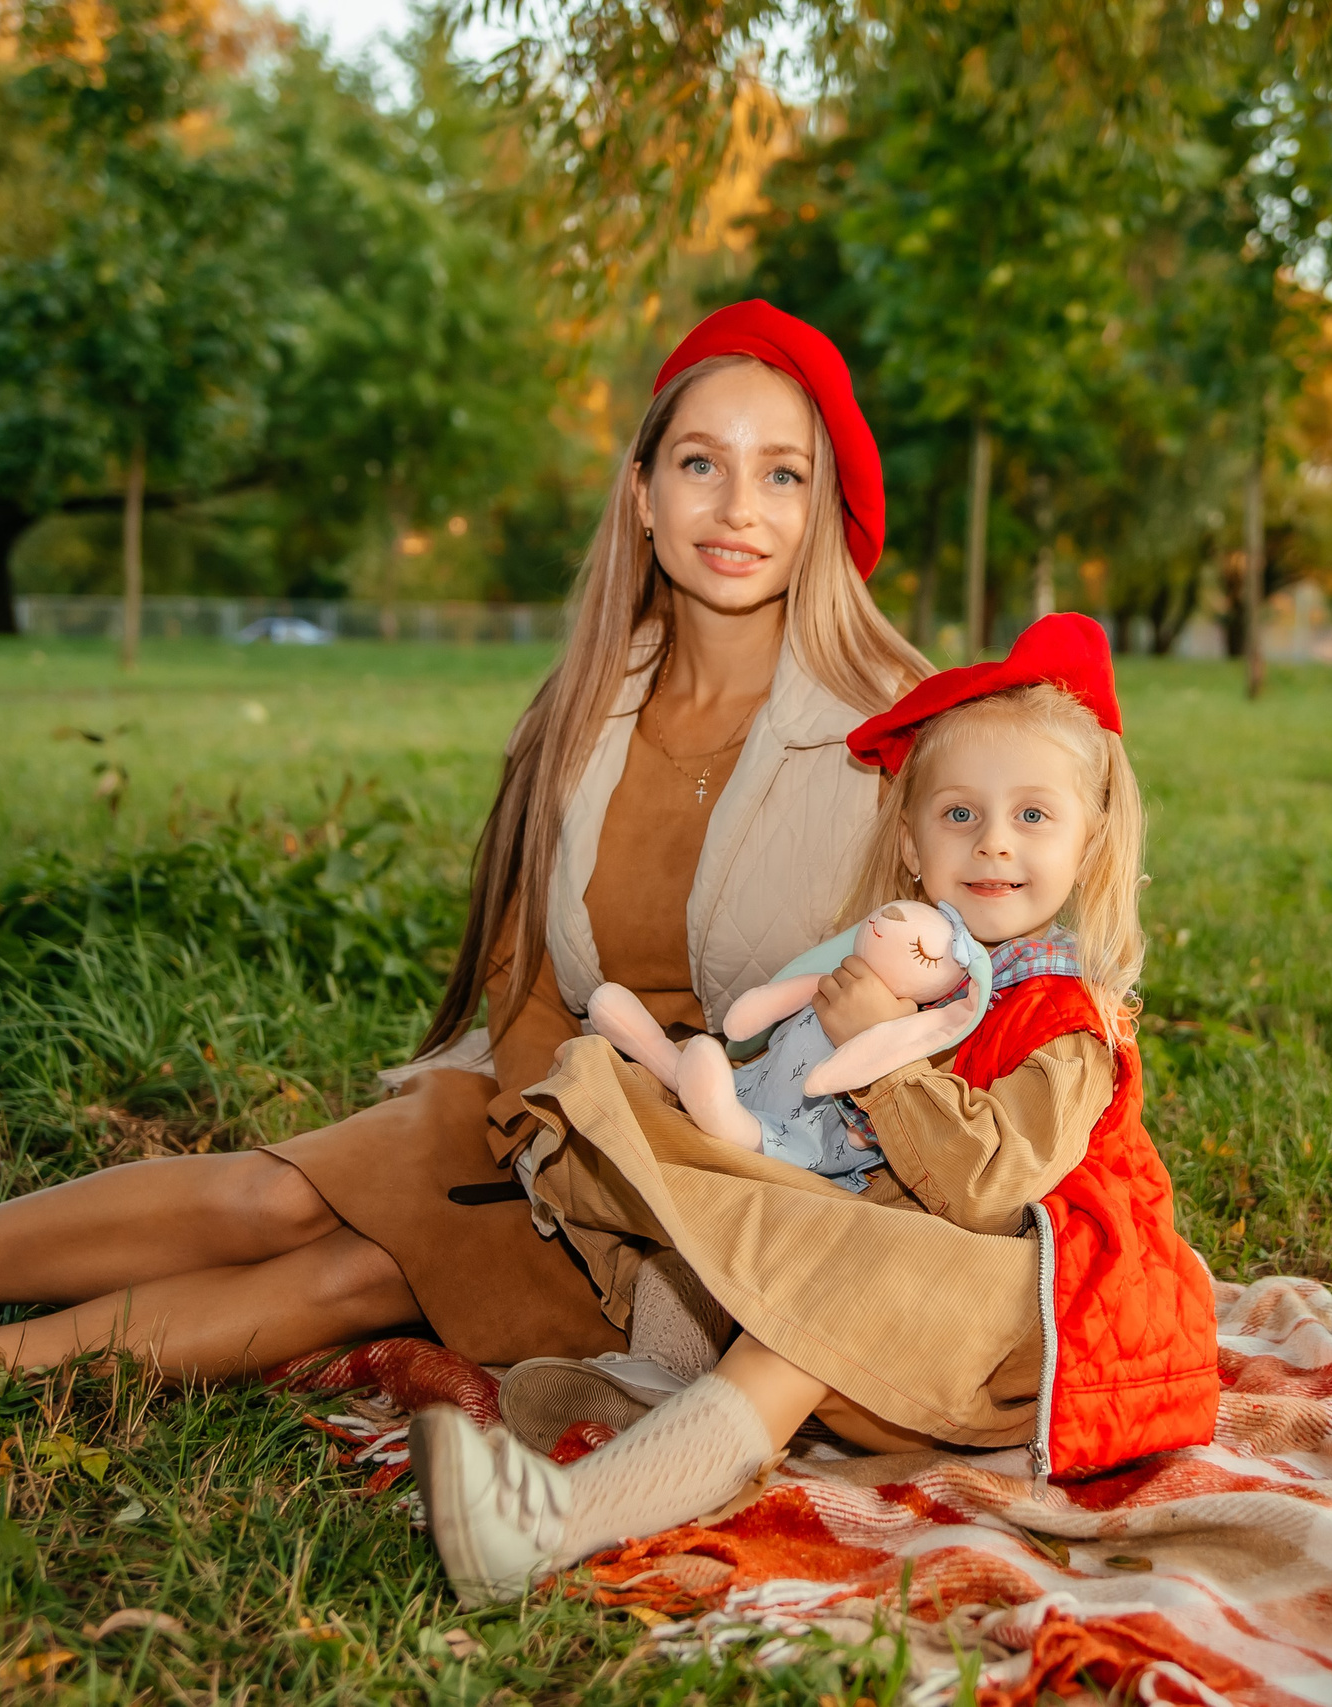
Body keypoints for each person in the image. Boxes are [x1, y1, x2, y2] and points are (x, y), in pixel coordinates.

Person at [0, 302, 930, 1462]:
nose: (738, 507)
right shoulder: (587, 704)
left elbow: (954, 1003)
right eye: (701, 463)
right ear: (641, 493)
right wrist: (548, 1129)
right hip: (543, 1110)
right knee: (272, 1192)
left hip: (712, 1200)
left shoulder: (893, 735)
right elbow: (528, 975)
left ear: (823, 509)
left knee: (353, 1272)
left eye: (781, 472)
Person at [407, 614, 1222, 1607]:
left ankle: (554, 1524)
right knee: (717, 1172)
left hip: (1044, 1320)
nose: (994, 841)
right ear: (912, 846)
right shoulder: (909, 969)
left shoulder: (1067, 1020)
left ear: (1090, 846)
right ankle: (676, 1390)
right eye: (959, 813)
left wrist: (879, 1062)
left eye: (1033, 815)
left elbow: (984, 1190)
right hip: (923, 1276)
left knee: (821, 1292)